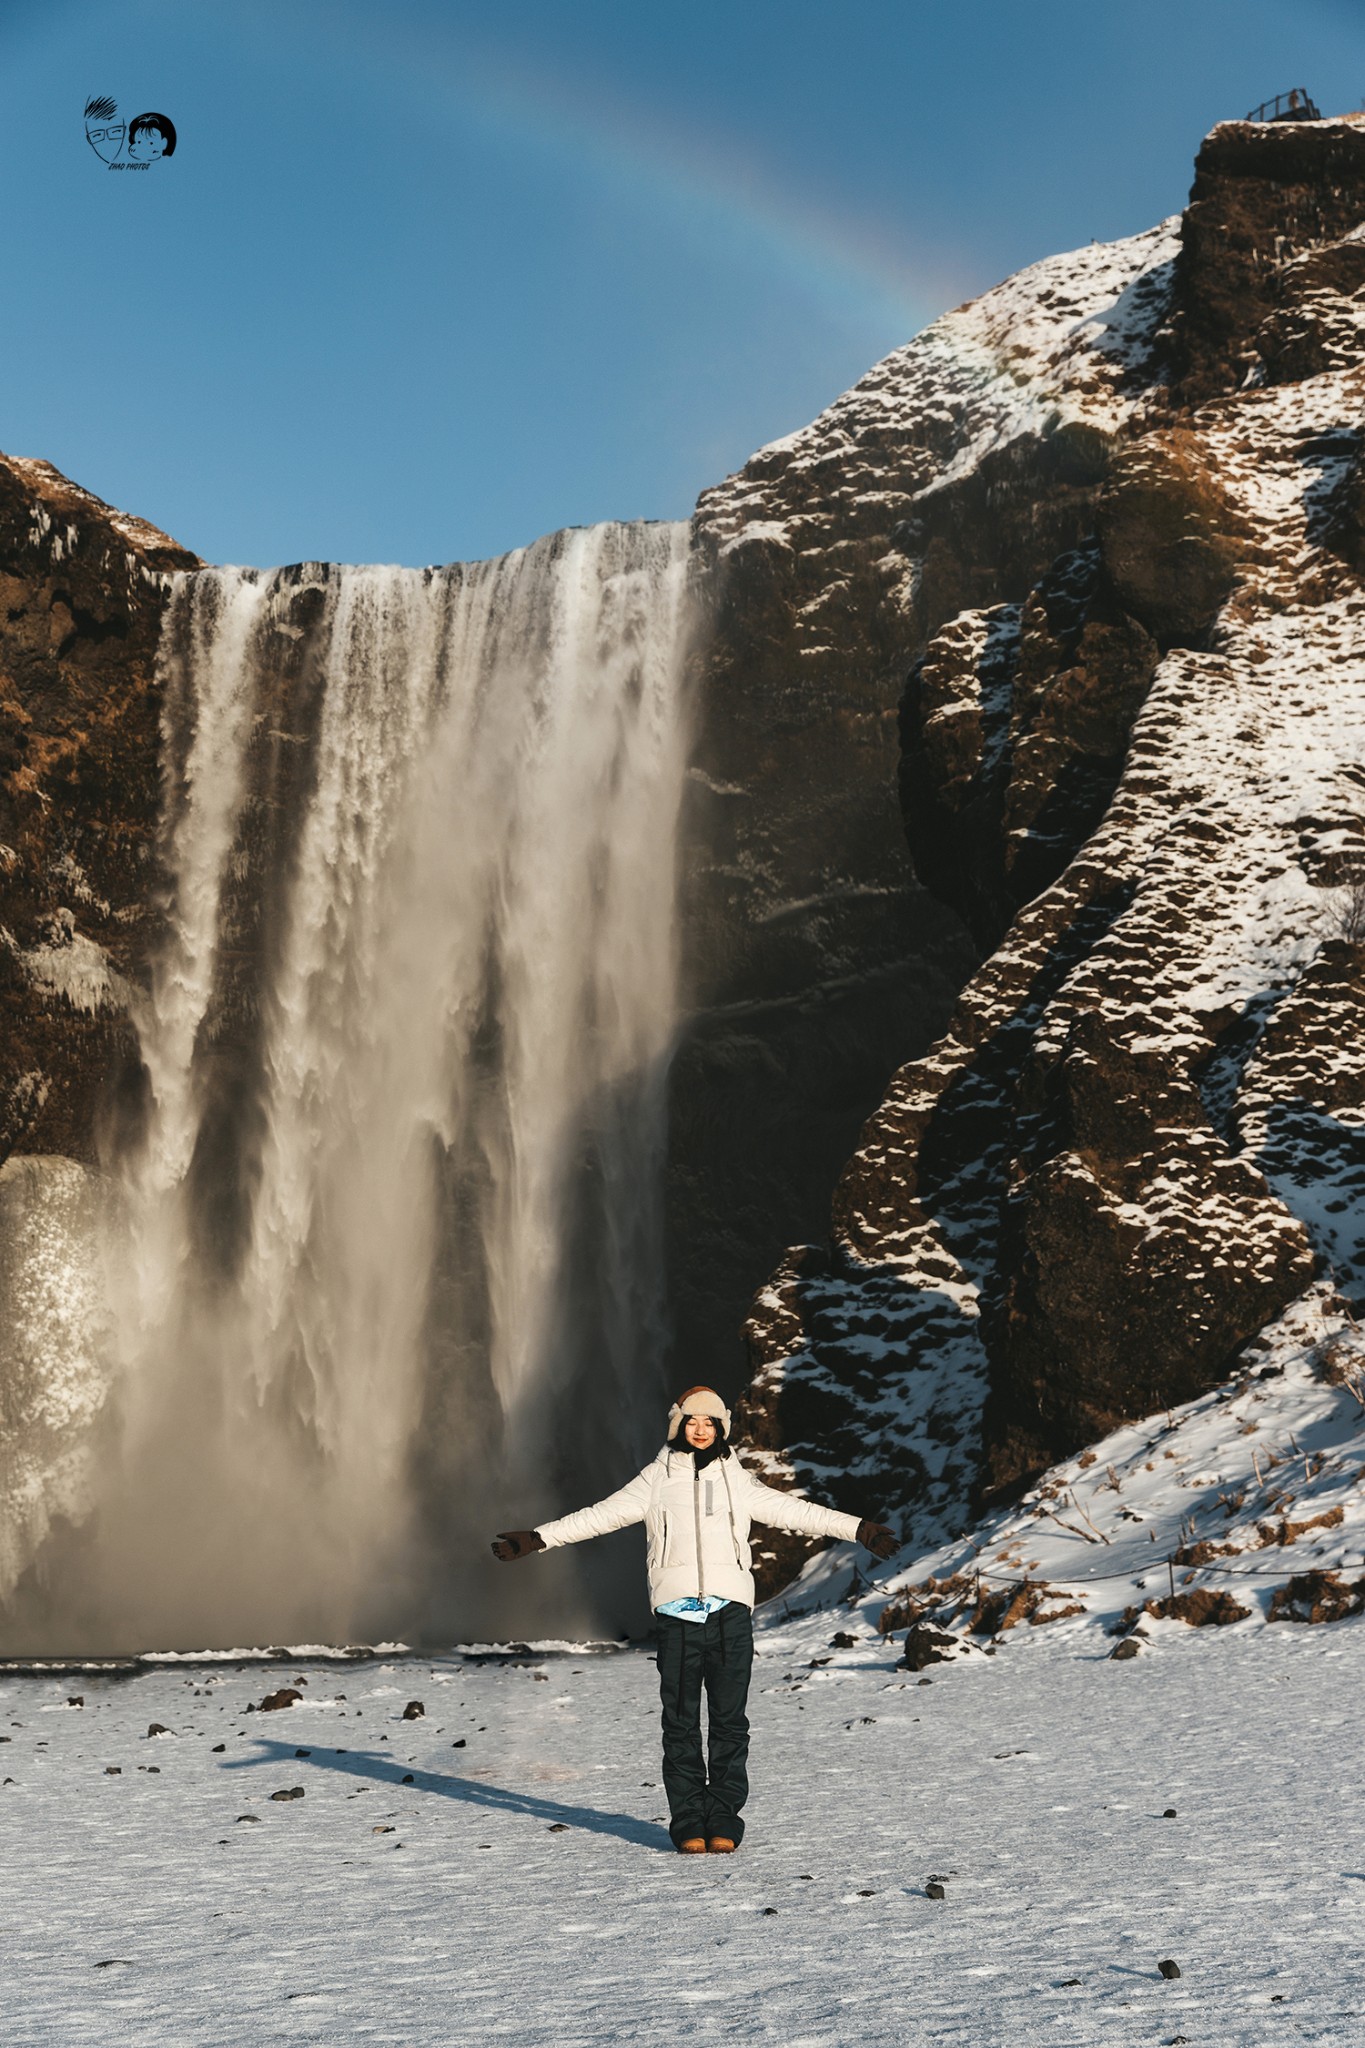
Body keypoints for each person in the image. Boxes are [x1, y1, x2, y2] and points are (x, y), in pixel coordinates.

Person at [491, 1384, 897, 1854]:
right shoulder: (654, 1480)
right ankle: (687, 1820)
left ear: (722, 1427)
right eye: (691, 1421)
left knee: (729, 1723)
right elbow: (600, 1515)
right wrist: (538, 1538)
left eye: (709, 1422)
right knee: (680, 1723)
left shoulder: (739, 1481)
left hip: (730, 1616)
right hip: (676, 1616)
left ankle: (723, 1817)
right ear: (678, 1425)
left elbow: (796, 1511)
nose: (700, 1430)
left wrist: (858, 1529)